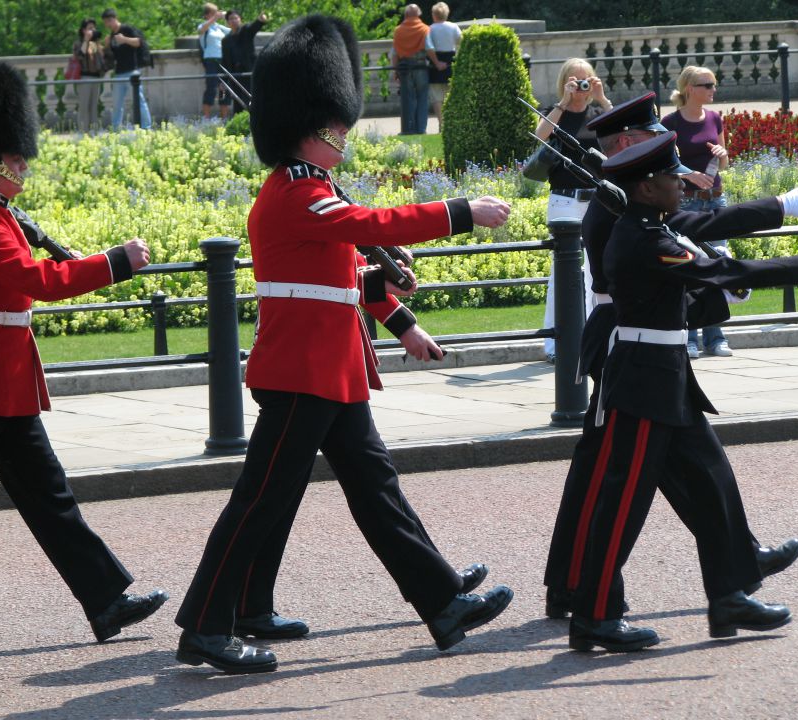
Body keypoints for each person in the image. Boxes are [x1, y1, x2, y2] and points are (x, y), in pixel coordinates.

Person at [174, 14, 514, 674]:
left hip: (329, 372)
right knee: (260, 502)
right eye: (337, 130)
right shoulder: (296, 192)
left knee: (376, 491)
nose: (344, 141)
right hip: (303, 374)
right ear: (314, 128)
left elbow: (343, 277)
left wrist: (402, 320)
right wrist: (461, 210)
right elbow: (372, 222)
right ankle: (205, 626)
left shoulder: (311, 188)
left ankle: (442, 603)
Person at [0, 61, 169, 664]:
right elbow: (37, 281)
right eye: (15, 156)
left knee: (50, 499)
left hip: (2, 386)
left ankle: (105, 601)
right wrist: (114, 262)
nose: (24, 163)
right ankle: (105, 599)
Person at [566, 132, 798, 652]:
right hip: (642, 384)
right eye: (670, 178)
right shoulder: (645, 238)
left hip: (666, 376)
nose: (681, 184)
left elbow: (704, 265)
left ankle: (729, 596)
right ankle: (593, 616)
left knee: (713, 485)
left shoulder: (648, 225)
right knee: (623, 503)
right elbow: (723, 270)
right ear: (647, 188)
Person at [534, 58, 611, 362]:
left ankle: (595, 340)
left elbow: (627, 132)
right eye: (575, 80)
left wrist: (602, 98)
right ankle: (555, 343)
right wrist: (563, 102)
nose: (581, 86)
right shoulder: (557, 112)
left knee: (597, 273)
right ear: (565, 82)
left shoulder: (598, 113)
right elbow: (540, 136)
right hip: (564, 198)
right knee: (561, 274)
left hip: (597, 198)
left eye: (586, 80)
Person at [662, 66, 732, 359]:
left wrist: (722, 155)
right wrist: (689, 175)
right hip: (687, 202)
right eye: (707, 85)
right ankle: (689, 336)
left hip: (715, 199)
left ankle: (715, 337)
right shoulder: (670, 122)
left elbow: (725, 164)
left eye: (714, 84)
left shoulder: (715, 118)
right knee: (688, 268)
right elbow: (665, 166)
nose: (713, 89)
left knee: (717, 266)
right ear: (690, 88)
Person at [391, 4, 445, 135]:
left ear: (406, 15)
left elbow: (394, 53)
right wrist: (437, 63)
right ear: (418, 15)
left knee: (408, 98)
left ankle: (408, 129)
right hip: (421, 66)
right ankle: (421, 129)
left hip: (405, 68)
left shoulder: (398, 31)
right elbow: (429, 48)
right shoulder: (424, 29)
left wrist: (395, 71)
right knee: (422, 98)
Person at [102, 8, 151, 130]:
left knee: (139, 100)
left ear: (112, 19)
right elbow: (111, 56)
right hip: (119, 72)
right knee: (117, 103)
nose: (106, 26)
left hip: (132, 71)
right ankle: (116, 128)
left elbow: (139, 42)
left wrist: (125, 39)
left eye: (107, 22)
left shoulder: (127, 29)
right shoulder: (111, 35)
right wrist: (106, 46)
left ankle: (147, 127)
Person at [220, 9, 267, 116]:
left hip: (248, 73)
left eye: (236, 18)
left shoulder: (245, 31)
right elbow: (225, 61)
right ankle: (240, 125)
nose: (234, 21)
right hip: (235, 76)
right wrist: (223, 80)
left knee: (250, 100)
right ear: (227, 22)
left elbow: (254, 27)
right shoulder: (225, 40)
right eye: (231, 19)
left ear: (240, 19)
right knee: (237, 103)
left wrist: (260, 20)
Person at [427, 2, 461, 129]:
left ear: (434, 15)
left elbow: (428, 47)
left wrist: (436, 62)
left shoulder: (430, 29)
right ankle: (451, 123)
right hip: (450, 62)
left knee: (436, 97)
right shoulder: (453, 27)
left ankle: (441, 122)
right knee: (450, 95)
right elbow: (460, 41)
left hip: (435, 63)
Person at [72, 18, 107, 133]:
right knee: (84, 106)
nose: (93, 30)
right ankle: (83, 131)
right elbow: (80, 56)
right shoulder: (79, 43)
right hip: (84, 78)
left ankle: (94, 131)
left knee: (93, 106)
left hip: (96, 77)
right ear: (83, 30)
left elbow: (101, 61)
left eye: (94, 28)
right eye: (90, 28)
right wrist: (86, 41)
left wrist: (103, 45)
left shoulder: (95, 44)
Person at [197, 3, 230, 121]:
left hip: (222, 60)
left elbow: (233, 31)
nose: (216, 15)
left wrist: (227, 18)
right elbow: (201, 30)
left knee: (223, 88)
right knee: (211, 88)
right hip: (210, 60)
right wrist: (215, 18)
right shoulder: (204, 26)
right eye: (213, 13)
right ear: (207, 15)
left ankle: (224, 117)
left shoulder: (218, 27)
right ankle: (206, 118)